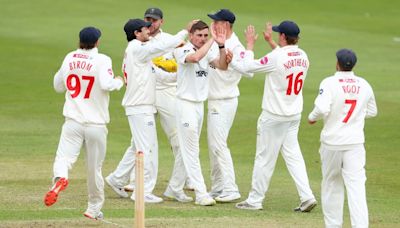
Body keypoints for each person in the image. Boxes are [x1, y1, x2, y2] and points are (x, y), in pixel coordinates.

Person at [107, 7, 193, 203]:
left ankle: (117, 178)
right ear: (136, 33)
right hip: (140, 106)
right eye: (144, 28)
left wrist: (187, 77)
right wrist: (184, 32)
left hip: (142, 105)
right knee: (148, 149)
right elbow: (159, 48)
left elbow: (158, 73)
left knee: (141, 146)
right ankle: (142, 192)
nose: (148, 31)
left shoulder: (139, 53)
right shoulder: (137, 49)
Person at [233, 21, 317, 211]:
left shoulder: (277, 56)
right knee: (294, 156)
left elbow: (248, 67)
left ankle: (254, 200)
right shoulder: (303, 55)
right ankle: (307, 196)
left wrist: (250, 45)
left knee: (264, 158)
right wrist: (271, 43)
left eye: (279, 34)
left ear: (283, 37)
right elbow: (285, 60)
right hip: (293, 114)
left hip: (274, 116)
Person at [43, 26, 124, 220]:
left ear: (79, 40)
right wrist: (119, 81)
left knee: (63, 158)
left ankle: (60, 178)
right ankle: (93, 209)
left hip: (73, 121)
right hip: (95, 124)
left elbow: (57, 86)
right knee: (93, 168)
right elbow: (106, 84)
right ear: (97, 41)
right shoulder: (102, 59)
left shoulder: (70, 57)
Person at [308, 49, 377, 227]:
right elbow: (372, 111)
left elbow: (322, 109)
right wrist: (356, 117)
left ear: (337, 64)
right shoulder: (364, 84)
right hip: (354, 143)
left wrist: (312, 118)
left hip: (332, 142)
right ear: (353, 65)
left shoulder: (329, 82)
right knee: (356, 188)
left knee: (332, 184)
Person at [174, 20, 229, 206]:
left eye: (205, 35)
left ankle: (173, 187)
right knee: (192, 150)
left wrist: (221, 46)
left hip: (199, 105)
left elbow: (222, 66)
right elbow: (195, 58)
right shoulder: (182, 49)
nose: (202, 39)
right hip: (185, 104)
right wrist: (213, 39)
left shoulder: (209, 48)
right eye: (199, 35)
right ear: (191, 35)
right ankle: (201, 193)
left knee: (187, 148)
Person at [206, 9, 251, 202]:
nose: (214, 24)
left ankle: (231, 189)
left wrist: (248, 47)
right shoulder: (217, 41)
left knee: (219, 144)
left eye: (217, 21)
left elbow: (245, 69)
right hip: (215, 99)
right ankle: (217, 187)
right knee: (213, 145)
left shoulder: (235, 46)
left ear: (226, 24)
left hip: (224, 100)